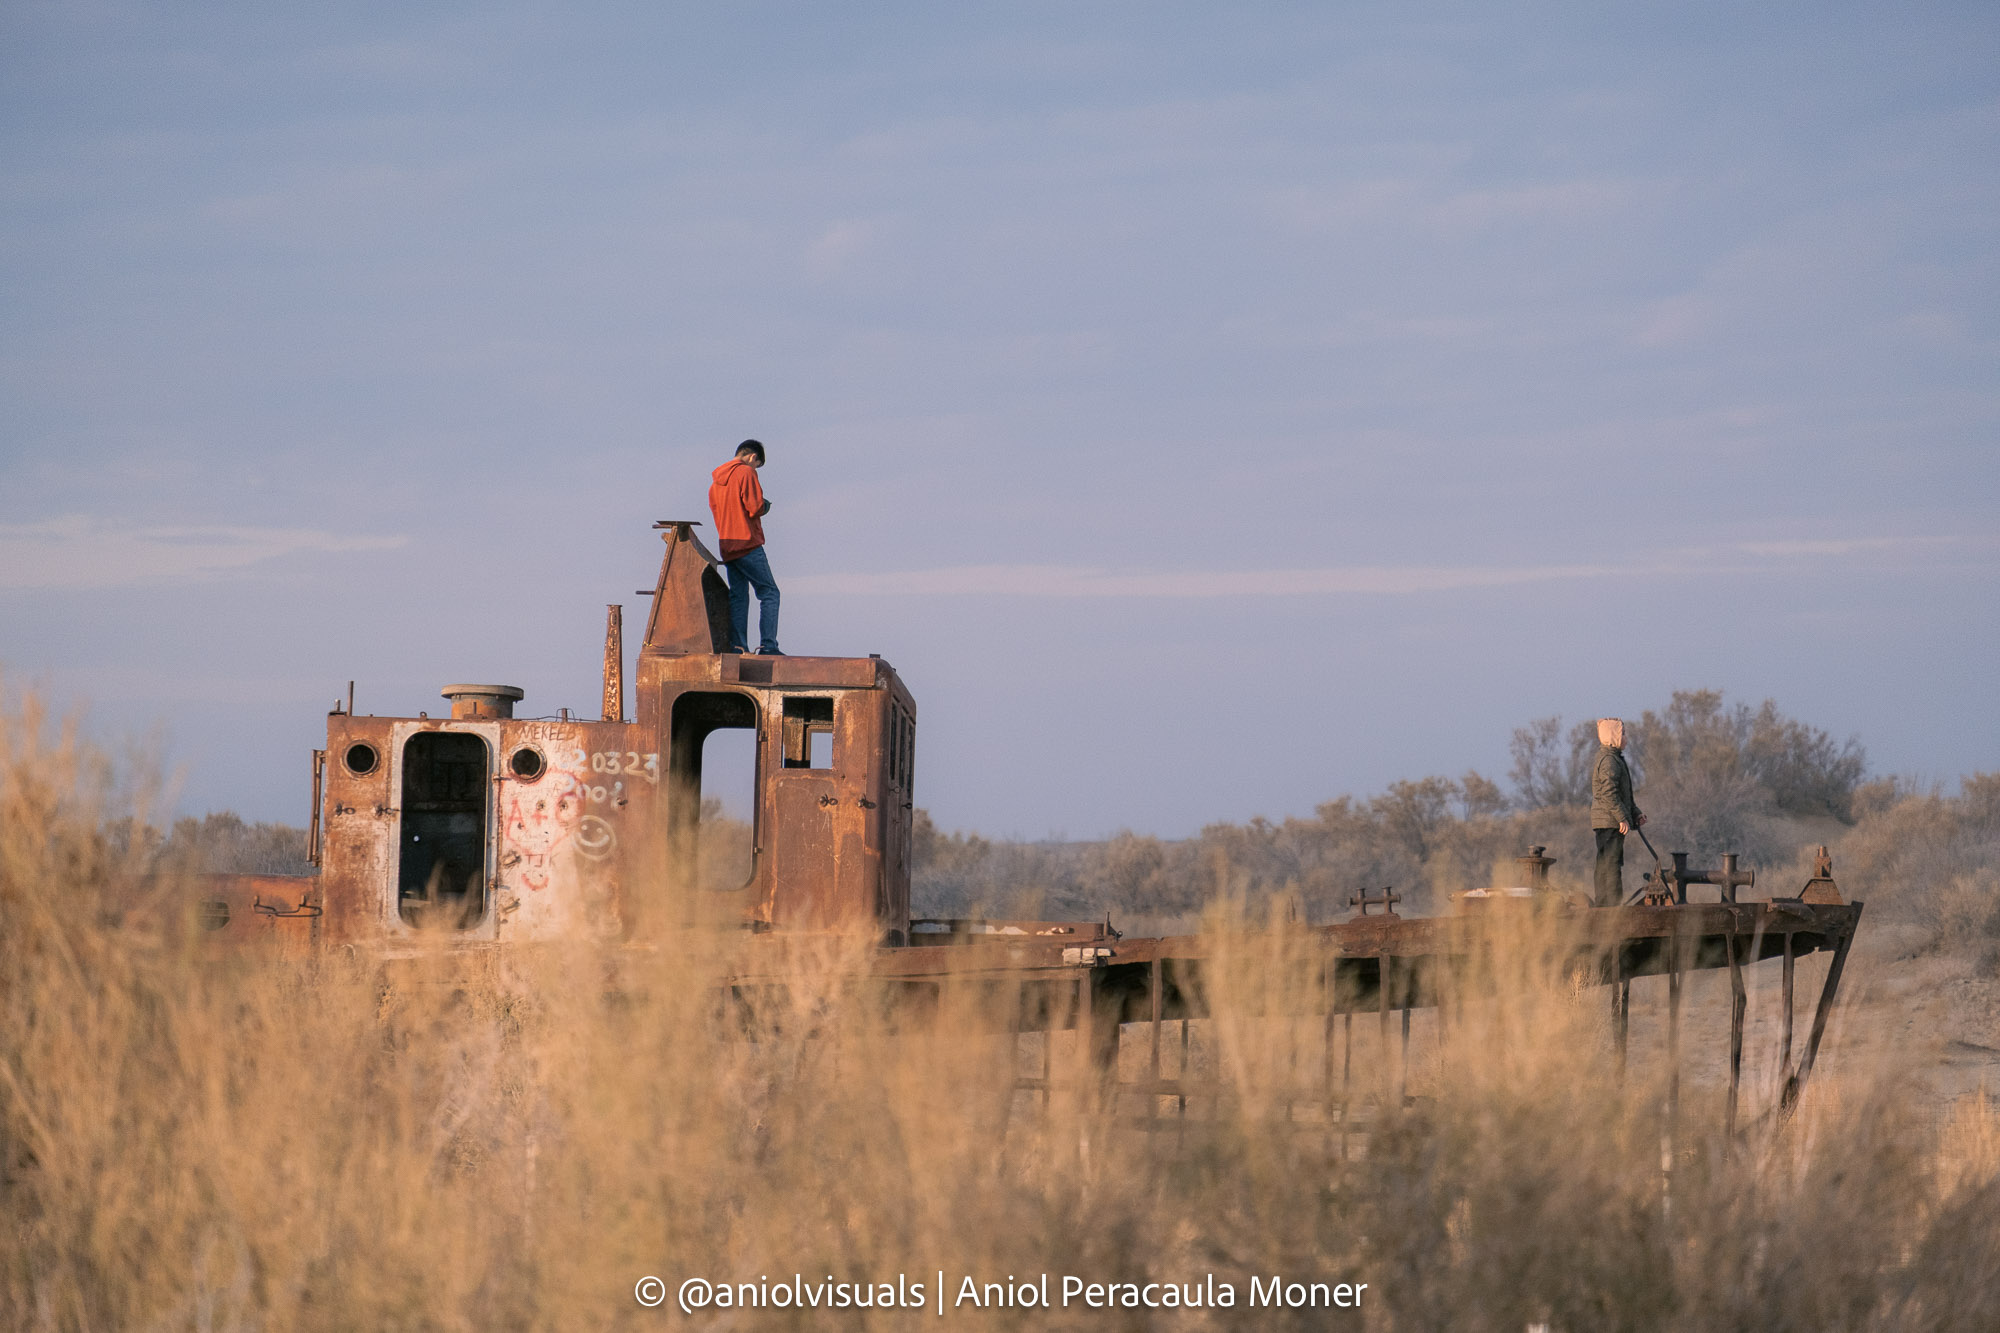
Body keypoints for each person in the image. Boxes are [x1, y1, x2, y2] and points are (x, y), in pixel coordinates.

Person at [707, 439, 781, 655]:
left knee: (739, 596)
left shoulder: (715, 484)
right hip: (747, 543)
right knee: (770, 593)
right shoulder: (745, 472)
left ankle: (738, 647)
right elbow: (755, 507)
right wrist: (765, 505)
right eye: (757, 465)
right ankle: (769, 646)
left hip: (728, 547)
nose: (755, 468)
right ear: (752, 457)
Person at [1590, 717, 1645, 906]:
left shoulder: (1613, 759)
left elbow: (1622, 795)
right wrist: (1622, 818)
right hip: (1609, 821)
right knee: (1610, 863)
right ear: (1614, 736)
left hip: (1609, 820)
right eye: (1623, 734)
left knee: (1609, 862)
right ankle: (1609, 907)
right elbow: (1609, 794)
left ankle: (1608, 905)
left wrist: (1635, 813)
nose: (1626, 738)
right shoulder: (1609, 761)